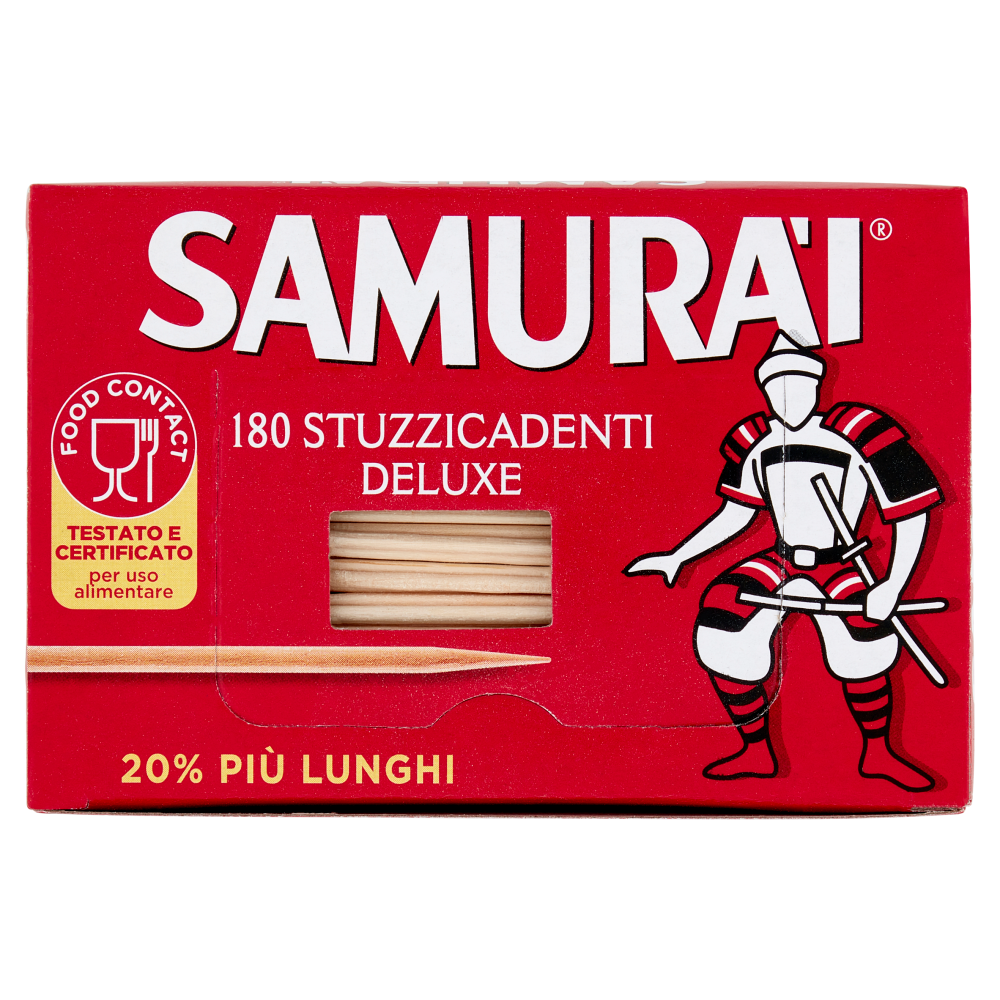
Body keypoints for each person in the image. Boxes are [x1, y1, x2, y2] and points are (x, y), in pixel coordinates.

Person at [625, 330, 943, 790]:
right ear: (765, 389)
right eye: (777, 385)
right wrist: (679, 556)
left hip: (841, 561)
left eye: (799, 382)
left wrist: (892, 585)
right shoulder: (754, 439)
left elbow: (911, 508)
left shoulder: (862, 430)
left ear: (817, 384)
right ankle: (755, 751)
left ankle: (879, 753)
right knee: (721, 622)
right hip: (782, 558)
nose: (788, 395)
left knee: (865, 646)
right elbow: (737, 512)